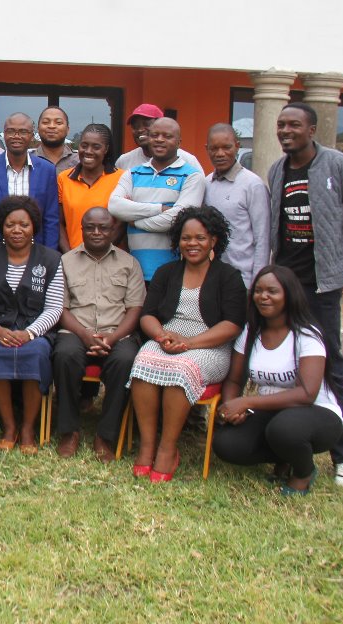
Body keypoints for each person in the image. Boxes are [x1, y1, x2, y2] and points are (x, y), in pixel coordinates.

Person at [267, 102, 343, 489]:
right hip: (284, 284)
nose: (285, 131)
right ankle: (283, 449)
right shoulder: (278, 169)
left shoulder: (341, 166)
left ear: (312, 129)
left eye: (294, 125)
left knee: (331, 366)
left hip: (322, 287)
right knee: (285, 363)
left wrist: (341, 268)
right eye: (281, 125)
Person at [127, 206, 246, 482]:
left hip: (209, 345)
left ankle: (168, 449)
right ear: (177, 241)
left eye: (200, 238)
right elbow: (148, 315)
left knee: (180, 369)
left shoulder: (229, 276)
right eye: (186, 238)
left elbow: (232, 325)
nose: (192, 244)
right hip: (166, 339)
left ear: (213, 240)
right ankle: (147, 444)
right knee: (144, 360)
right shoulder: (166, 272)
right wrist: (161, 336)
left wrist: (190, 343)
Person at [212, 265, 343, 495]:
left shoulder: (306, 334)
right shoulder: (250, 332)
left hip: (318, 413)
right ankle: (286, 455)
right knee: (227, 444)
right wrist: (232, 407)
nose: (263, 297)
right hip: (273, 413)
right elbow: (233, 380)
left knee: (285, 429)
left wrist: (247, 402)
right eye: (258, 291)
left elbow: (307, 394)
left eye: (272, 291)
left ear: (289, 295)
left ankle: (303, 473)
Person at [0, 195, 64, 453]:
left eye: (24, 224)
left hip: (35, 332)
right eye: (10, 224)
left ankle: (27, 428)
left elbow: (55, 307)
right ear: (1, 225)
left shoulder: (51, 259)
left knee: (35, 353)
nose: (17, 230)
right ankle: (9, 426)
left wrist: (30, 332)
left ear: (34, 226)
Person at [52, 206, 144, 461]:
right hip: (75, 331)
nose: (96, 232)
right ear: (81, 229)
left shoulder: (129, 263)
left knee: (125, 360)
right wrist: (84, 335)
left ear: (113, 230)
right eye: (90, 227)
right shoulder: (65, 261)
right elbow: (60, 308)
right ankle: (69, 432)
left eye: (103, 227)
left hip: (118, 333)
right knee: (64, 355)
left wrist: (112, 338)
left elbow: (135, 308)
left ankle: (106, 436)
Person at [108, 117, 205, 281]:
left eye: (167, 136)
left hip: (173, 273)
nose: (159, 140)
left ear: (179, 142)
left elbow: (178, 219)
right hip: (134, 273)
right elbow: (115, 206)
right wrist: (159, 209)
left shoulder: (192, 175)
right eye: (155, 135)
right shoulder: (133, 173)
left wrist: (136, 222)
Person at [0, 113, 58, 249]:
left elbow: (51, 219)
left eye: (23, 132)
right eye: (11, 131)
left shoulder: (47, 170)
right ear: (4, 134)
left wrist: (48, 255)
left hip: (36, 252)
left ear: (32, 136)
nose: (16, 136)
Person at [203, 123, 270, 288]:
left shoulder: (252, 184)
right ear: (207, 149)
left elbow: (263, 238)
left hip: (245, 280)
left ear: (237, 147)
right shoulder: (206, 183)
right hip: (214, 278)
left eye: (227, 147)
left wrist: (258, 283)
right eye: (214, 148)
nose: (220, 154)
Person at [57, 123, 124, 252]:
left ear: (106, 149)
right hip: (74, 257)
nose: (88, 151)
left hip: (110, 258)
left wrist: (101, 254)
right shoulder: (64, 178)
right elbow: (58, 223)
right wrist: (69, 256)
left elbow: (121, 224)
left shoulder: (122, 177)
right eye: (84, 145)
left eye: (96, 147)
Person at [116, 103, 202, 171]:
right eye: (135, 126)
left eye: (146, 124)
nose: (140, 130)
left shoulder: (187, 160)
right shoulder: (124, 161)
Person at [32, 106, 79, 174]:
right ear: (38, 129)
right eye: (45, 122)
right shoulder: (27, 160)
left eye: (58, 123)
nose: (52, 126)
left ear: (67, 130)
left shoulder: (80, 161)